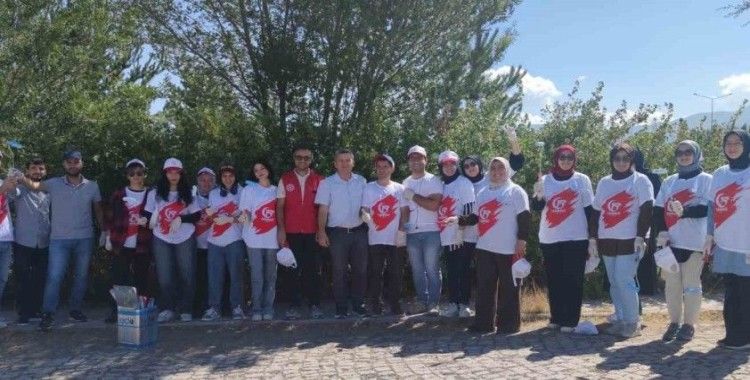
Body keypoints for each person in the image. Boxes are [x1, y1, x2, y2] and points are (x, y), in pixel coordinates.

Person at [28, 150, 104, 331]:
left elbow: (99, 210)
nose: (72, 165)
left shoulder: (92, 186)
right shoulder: (53, 183)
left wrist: (105, 231)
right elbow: (35, 187)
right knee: (54, 277)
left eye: (76, 161)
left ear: (81, 163)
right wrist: (20, 178)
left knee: (81, 276)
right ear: (64, 165)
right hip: (59, 240)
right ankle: (48, 313)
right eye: (69, 162)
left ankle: (75, 310)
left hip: (85, 238)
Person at [459, 157, 530, 334]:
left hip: (508, 248)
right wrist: (457, 220)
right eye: (493, 168)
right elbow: (476, 217)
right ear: (489, 171)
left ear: (507, 170)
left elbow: (524, 218)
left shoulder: (515, 191)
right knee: (484, 287)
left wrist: (522, 241)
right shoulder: (483, 192)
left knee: (509, 288)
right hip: (484, 247)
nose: (497, 171)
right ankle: (483, 324)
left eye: (501, 167)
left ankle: (508, 325)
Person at [590, 143, 653, 338]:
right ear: (612, 160)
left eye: (626, 158)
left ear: (632, 160)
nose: (621, 162)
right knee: (614, 281)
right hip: (607, 238)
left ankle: (633, 322)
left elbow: (647, 209)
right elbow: (596, 211)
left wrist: (640, 236)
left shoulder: (640, 180)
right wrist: (592, 238)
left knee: (624, 280)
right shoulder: (605, 182)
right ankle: (621, 317)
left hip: (630, 239)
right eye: (617, 158)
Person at [530, 145, 595, 332]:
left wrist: (592, 238)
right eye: (562, 157)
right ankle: (557, 317)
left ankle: (571, 320)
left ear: (574, 159)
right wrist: (538, 195)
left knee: (573, 280)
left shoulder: (582, 180)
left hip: (576, 237)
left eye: (569, 157)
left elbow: (590, 210)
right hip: (550, 237)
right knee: (554, 279)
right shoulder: (545, 179)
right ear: (556, 158)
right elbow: (536, 208)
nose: (565, 160)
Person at [653, 140, 711, 342]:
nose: (684, 155)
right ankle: (674, 322)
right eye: (680, 152)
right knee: (672, 286)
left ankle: (689, 324)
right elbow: (659, 209)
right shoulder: (669, 181)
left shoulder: (706, 179)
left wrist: (686, 211)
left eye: (689, 152)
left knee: (692, 285)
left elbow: (708, 208)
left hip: (695, 242)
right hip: (672, 242)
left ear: (696, 154)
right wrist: (661, 232)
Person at [706, 131, 750, 350]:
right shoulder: (720, 173)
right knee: (731, 288)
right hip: (725, 241)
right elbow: (712, 207)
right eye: (728, 143)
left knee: (746, 290)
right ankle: (732, 333)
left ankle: (744, 336)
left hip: (746, 242)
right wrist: (709, 235)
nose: (732, 147)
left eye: (737, 143)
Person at [143, 158, 201, 323]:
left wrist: (182, 219)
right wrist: (147, 220)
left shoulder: (189, 192)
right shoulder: (155, 193)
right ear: (164, 173)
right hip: (161, 237)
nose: (173, 175)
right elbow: (147, 214)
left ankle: (186, 309)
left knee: (187, 274)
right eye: (170, 172)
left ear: (181, 174)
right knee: (164, 276)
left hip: (185, 237)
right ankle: (167, 308)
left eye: (177, 172)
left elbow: (197, 215)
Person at [315, 148, 368, 318]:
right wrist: (321, 231)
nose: (344, 164)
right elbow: (323, 210)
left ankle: (358, 304)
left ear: (353, 162)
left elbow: (366, 205)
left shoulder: (362, 181)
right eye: (341, 161)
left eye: (348, 160)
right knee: (339, 271)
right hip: (337, 234)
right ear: (335, 164)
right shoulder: (327, 183)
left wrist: (366, 212)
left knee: (360, 270)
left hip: (359, 232)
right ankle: (341, 307)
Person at [276, 145, 324, 319]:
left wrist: (321, 230)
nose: (302, 160)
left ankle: (315, 304)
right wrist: (281, 230)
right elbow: (280, 207)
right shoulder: (285, 178)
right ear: (294, 158)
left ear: (311, 160)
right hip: (291, 231)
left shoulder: (320, 180)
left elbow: (323, 209)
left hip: (313, 232)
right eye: (299, 157)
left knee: (313, 270)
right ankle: (294, 305)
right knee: (291, 270)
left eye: (306, 158)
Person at [103, 159, 153, 323]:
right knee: (120, 278)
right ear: (127, 176)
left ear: (144, 174)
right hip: (120, 243)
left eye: (139, 173)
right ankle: (120, 311)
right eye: (132, 174)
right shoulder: (119, 194)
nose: (136, 177)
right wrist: (108, 237)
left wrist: (148, 221)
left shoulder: (151, 193)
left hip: (143, 243)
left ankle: (141, 310)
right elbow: (109, 217)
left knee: (142, 278)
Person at [401, 145, 444, 314]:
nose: (416, 161)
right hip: (412, 233)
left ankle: (433, 303)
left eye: (419, 158)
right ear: (408, 162)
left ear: (425, 160)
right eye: (412, 158)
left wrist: (414, 196)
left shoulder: (434, 180)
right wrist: (403, 230)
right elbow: (404, 209)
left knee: (432, 268)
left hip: (431, 231)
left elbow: (434, 205)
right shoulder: (405, 182)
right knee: (417, 270)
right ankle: (422, 300)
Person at [361, 154, 405, 316]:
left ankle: (395, 305)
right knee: (375, 273)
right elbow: (365, 208)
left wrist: (401, 231)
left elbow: (404, 212)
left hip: (395, 238)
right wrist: (364, 215)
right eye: (379, 167)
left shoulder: (399, 188)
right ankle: (375, 305)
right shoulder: (369, 187)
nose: (382, 170)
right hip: (375, 238)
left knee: (396, 273)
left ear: (392, 168)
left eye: (385, 166)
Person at [202, 164, 245, 321]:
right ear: (220, 178)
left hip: (235, 239)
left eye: (231, 176)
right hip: (214, 240)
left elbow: (245, 217)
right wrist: (213, 217)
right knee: (214, 276)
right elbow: (210, 214)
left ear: (235, 177)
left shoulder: (242, 192)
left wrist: (230, 218)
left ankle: (237, 307)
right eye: (224, 176)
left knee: (236, 275)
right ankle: (214, 308)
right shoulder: (213, 193)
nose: (228, 179)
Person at [436, 150, 475, 318]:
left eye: (452, 163)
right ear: (441, 166)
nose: (449, 167)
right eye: (445, 164)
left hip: (462, 234)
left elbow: (469, 209)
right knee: (451, 269)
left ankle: (464, 304)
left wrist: (460, 229)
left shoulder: (464, 183)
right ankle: (453, 303)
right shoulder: (440, 184)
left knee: (464, 269)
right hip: (446, 234)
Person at [11, 157, 50, 325]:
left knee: (40, 278)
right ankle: (24, 313)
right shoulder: (20, 189)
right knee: (23, 278)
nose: (37, 171)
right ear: (27, 171)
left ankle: (37, 309)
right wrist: (13, 178)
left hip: (44, 241)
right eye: (34, 168)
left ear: (45, 171)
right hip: (23, 241)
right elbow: (11, 193)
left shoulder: (49, 189)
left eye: (41, 168)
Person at [240, 159, 279, 321]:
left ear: (268, 169)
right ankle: (256, 309)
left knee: (271, 276)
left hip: (273, 240)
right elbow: (246, 211)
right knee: (257, 276)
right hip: (254, 240)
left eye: (262, 168)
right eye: (256, 170)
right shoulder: (249, 190)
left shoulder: (277, 191)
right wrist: (245, 217)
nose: (260, 172)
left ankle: (268, 308)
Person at [634, 148, 662, 296]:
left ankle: (647, 288)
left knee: (646, 253)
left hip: (648, 221)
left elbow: (657, 201)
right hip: (628, 222)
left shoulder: (651, 177)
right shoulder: (622, 177)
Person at [192, 167, 216, 317]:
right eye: (202, 179)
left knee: (214, 278)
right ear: (197, 181)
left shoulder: (220, 196)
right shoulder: (190, 196)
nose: (206, 183)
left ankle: (215, 306)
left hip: (215, 245)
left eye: (209, 180)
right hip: (196, 245)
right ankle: (197, 307)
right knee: (198, 278)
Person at [0, 153, 19, 328]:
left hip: (6, 238)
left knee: (2, 278)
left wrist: (16, 184)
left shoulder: (3, 181)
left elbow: (17, 197)